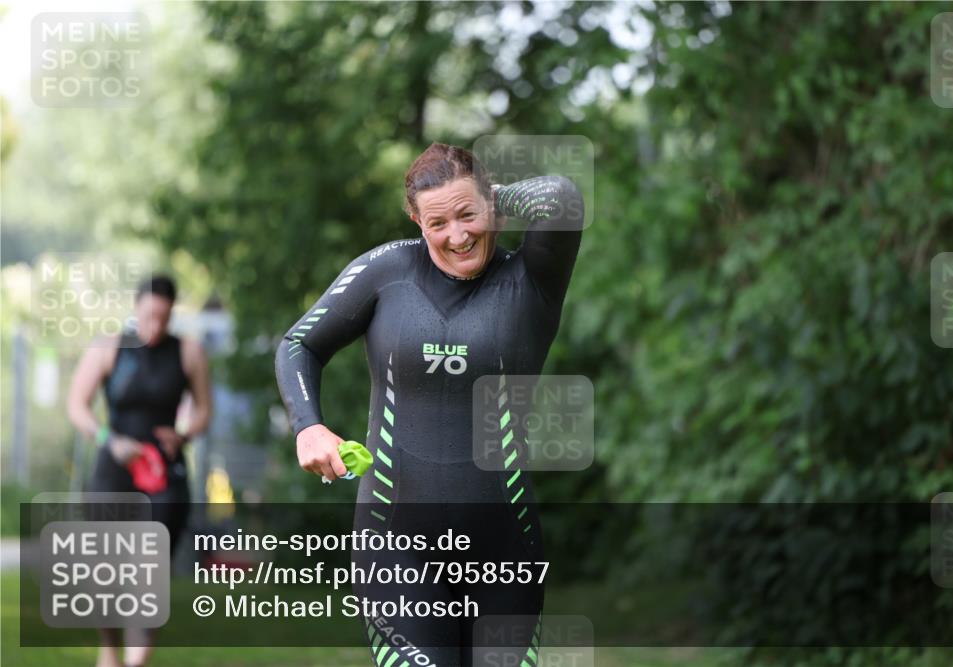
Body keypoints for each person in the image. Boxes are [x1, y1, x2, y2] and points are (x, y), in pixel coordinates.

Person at [275, 142, 584, 666]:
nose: (458, 236)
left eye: (469, 215)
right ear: (416, 223)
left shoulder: (531, 279)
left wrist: (487, 199)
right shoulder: (387, 271)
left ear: (491, 205)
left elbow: (562, 197)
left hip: (504, 549)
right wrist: (309, 427)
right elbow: (298, 345)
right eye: (437, 222)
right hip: (394, 544)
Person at [67, 274, 213, 667]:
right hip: (113, 467)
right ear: (136, 309)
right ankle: (110, 653)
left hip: (165, 473)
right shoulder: (108, 348)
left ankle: (135, 663)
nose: (156, 326)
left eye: (164, 318)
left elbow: (203, 411)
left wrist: (183, 435)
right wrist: (108, 440)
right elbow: (77, 405)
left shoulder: (189, 351)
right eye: (150, 316)